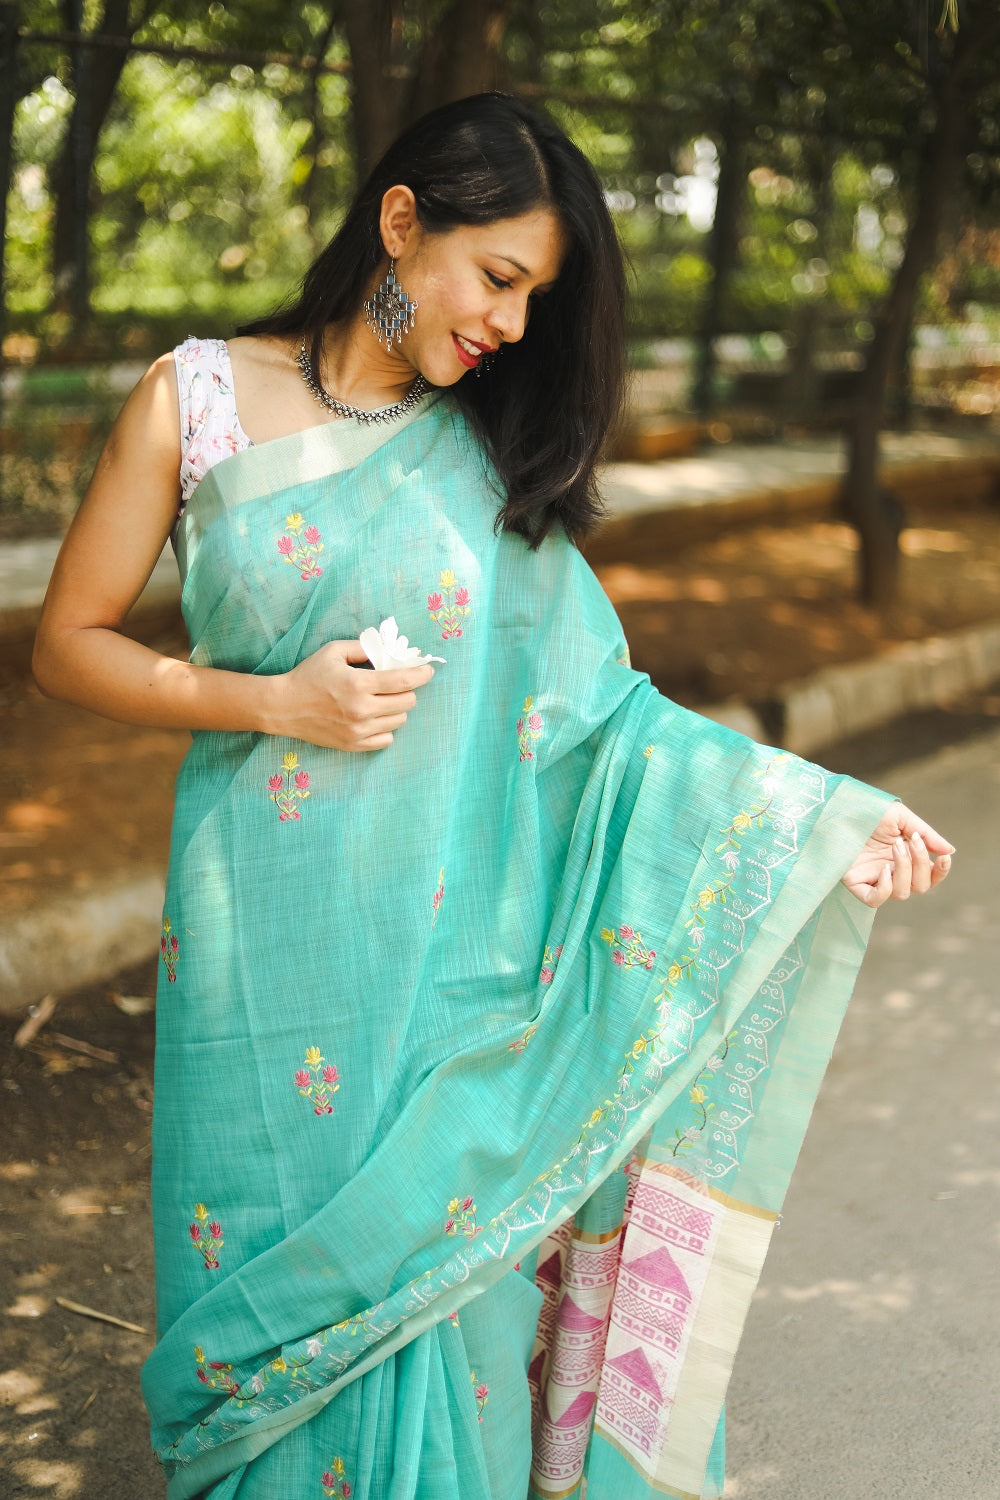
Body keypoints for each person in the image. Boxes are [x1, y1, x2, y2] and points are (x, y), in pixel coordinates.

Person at [33, 93, 952, 1500]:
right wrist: (271, 700)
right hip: (259, 966)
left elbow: (606, 722)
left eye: (535, 298)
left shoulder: (482, 462)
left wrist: (817, 824)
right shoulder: (198, 396)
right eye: (500, 279)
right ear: (404, 224)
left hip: (452, 986)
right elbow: (68, 645)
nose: (512, 328)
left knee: (444, 1304)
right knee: (268, 1344)